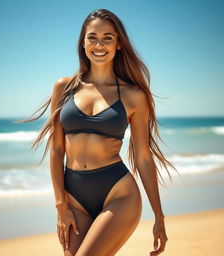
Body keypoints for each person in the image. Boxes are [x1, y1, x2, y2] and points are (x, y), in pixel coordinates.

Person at [17, 8, 178, 256]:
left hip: (119, 194)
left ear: (119, 45)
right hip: (74, 198)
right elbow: (57, 148)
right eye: (92, 37)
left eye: (108, 38)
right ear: (83, 42)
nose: (99, 44)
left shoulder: (133, 95)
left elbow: (144, 157)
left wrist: (159, 215)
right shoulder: (63, 87)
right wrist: (60, 204)